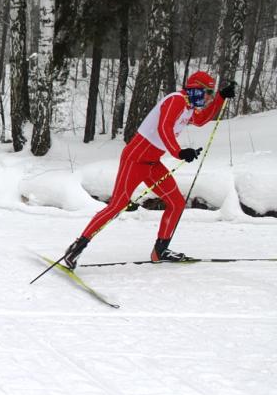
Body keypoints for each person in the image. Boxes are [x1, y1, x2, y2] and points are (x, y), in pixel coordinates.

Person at [61, 71, 236, 268]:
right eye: (207, 92)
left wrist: (221, 97)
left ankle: (160, 251)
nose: (208, 97)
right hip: (134, 160)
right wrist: (179, 152)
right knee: (117, 205)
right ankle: (75, 249)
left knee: (176, 203)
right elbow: (164, 128)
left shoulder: (188, 108)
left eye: (211, 94)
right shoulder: (176, 100)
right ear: (196, 89)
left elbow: (202, 119)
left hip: (153, 164)